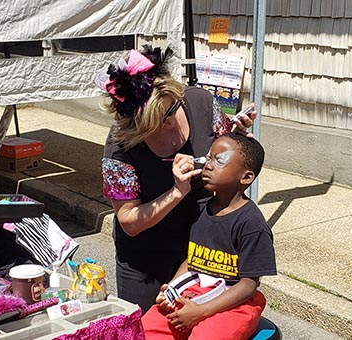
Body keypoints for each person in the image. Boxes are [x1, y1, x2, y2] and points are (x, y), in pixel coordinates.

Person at [99, 45, 255, 312]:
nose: (170, 123)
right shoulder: (120, 146)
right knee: (147, 326)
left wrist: (240, 142)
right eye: (158, 122)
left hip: (201, 244)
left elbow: (226, 147)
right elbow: (129, 223)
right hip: (145, 255)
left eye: (172, 111)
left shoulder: (201, 103)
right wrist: (176, 192)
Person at [141, 132, 276, 340]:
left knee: (206, 335)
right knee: (148, 327)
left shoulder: (252, 224)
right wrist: (172, 289)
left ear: (246, 177)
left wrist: (201, 312)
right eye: (209, 157)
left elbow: (249, 285)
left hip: (235, 302)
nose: (208, 165)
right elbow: (192, 259)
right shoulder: (200, 209)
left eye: (219, 160)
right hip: (197, 288)